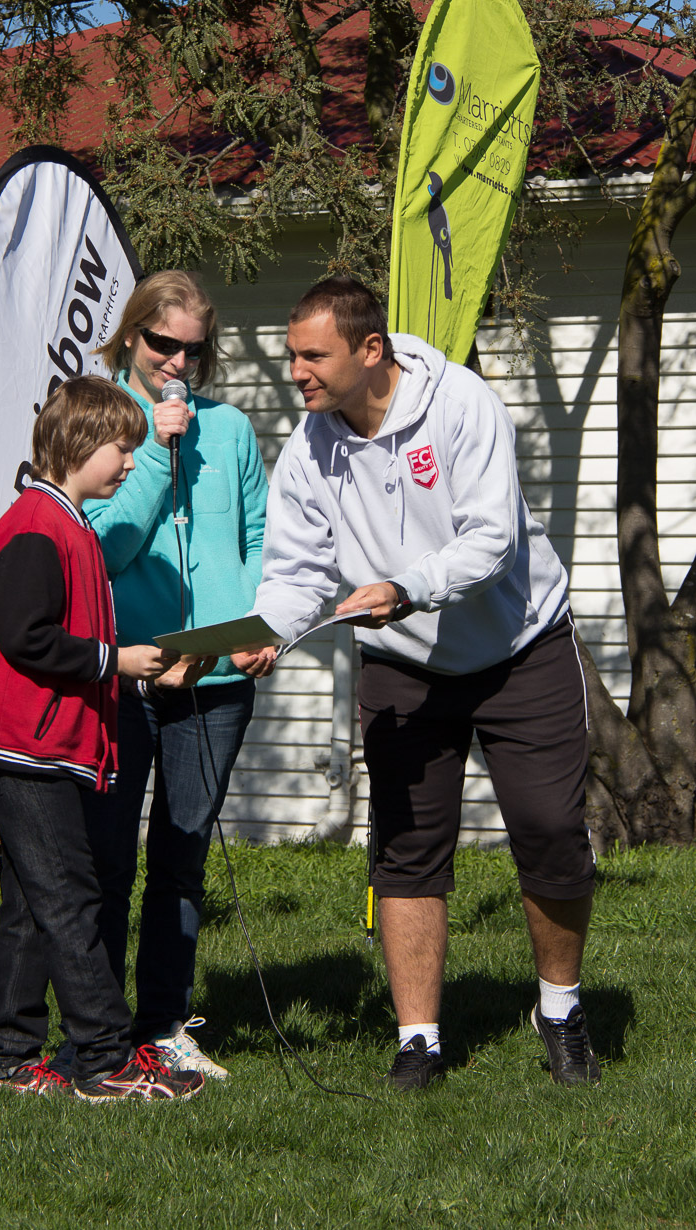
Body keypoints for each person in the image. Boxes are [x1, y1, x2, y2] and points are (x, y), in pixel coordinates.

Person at [239, 276, 600, 1090]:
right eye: (291, 355)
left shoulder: (461, 404)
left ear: (371, 350)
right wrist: (271, 630)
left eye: (313, 356)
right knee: (405, 848)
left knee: (549, 830)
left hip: (520, 646)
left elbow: (492, 541)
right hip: (402, 661)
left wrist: (406, 587)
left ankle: (561, 1009)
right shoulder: (308, 448)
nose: (295, 372)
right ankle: (419, 1041)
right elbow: (297, 572)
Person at [0, 375, 210, 1102]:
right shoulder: (37, 523)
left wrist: (142, 676)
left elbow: (68, 643)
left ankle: (9, 1057)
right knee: (70, 895)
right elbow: (24, 637)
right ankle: (103, 1059)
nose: (131, 462)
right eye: (122, 448)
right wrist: (115, 661)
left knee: (36, 898)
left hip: (38, 741)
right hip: (20, 743)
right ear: (81, 443)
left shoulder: (72, 523)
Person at [80, 270, 269, 1079]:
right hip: (123, 675)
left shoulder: (230, 429)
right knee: (108, 860)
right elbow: (104, 548)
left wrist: (260, 628)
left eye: (193, 349)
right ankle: (97, 1031)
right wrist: (156, 452)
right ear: (132, 334)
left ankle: (162, 1024)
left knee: (182, 859)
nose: (177, 362)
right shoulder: (98, 424)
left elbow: (261, 538)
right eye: (163, 344)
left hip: (216, 683)